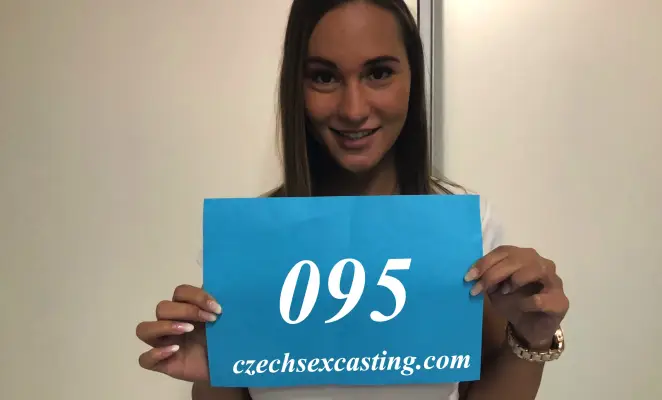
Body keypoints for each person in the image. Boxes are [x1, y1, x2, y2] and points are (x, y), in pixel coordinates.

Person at [135, 0, 570, 399]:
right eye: (324, 77)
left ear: (412, 77)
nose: (354, 109)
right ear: (297, 86)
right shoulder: (248, 244)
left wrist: (532, 337)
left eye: (378, 72)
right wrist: (214, 371)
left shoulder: (468, 229)